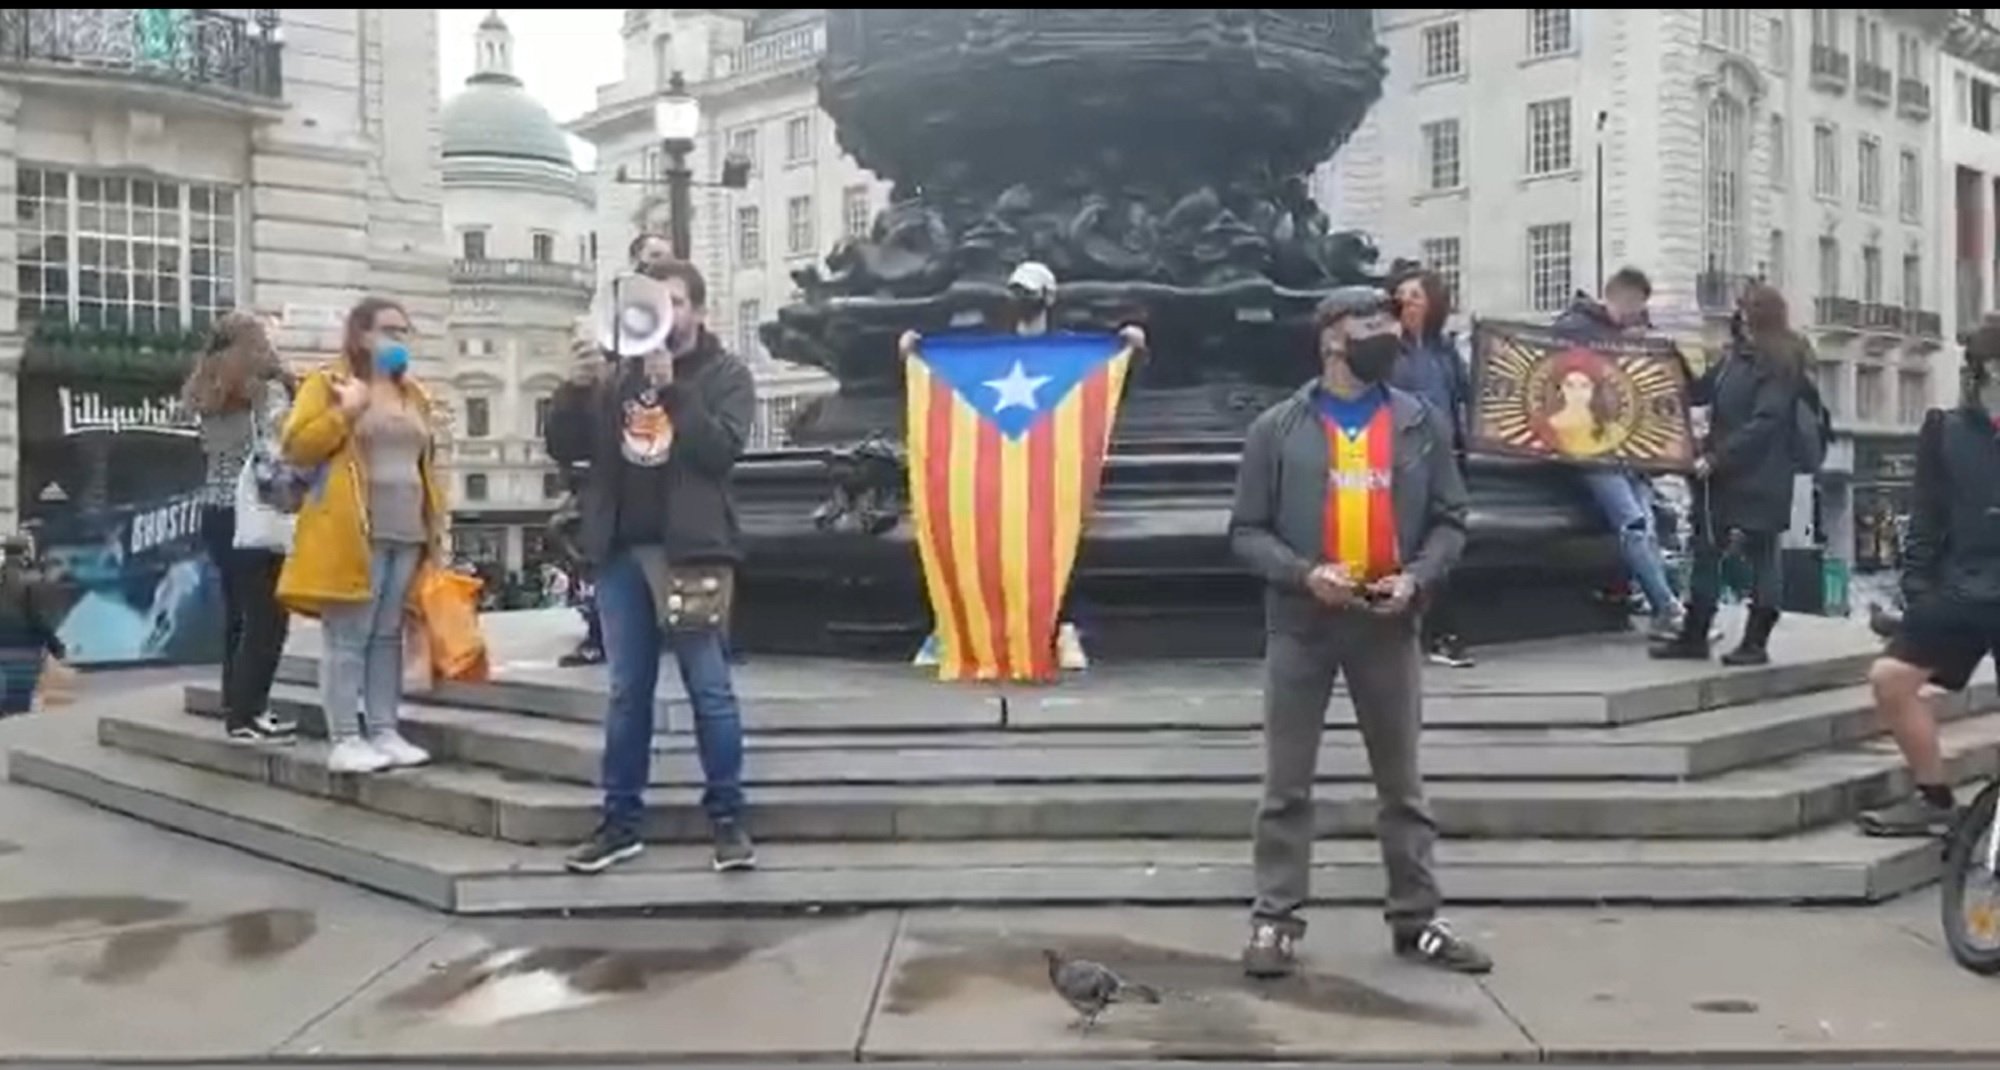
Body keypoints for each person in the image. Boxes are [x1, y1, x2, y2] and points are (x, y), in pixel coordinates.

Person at [1231, 286, 1492, 979]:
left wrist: (1418, 576)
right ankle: (1275, 919)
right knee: (1286, 784)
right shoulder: (1277, 429)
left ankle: (1417, 918)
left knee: (1402, 785)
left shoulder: (1420, 422)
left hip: (1387, 622)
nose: (1385, 329)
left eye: (1386, 318)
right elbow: (1246, 532)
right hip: (1301, 627)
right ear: (1331, 337)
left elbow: (1451, 518)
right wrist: (1301, 574)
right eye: (1368, 322)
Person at [546, 258, 758, 875]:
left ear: (697, 311)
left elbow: (720, 450)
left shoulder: (724, 374)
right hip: (620, 554)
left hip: (690, 551)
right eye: (652, 304)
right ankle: (620, 823)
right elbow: (568, 448)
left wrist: (675, 391)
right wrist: (575, 390)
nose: (664, 316)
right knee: (626, 694)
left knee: (709, 690)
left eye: (676, 303)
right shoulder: (616, 376)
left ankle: (727, 819)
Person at [907, 260, 1138, 671]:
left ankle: (1064, 627)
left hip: (1051, 468)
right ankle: (956, 628)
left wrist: (1129, 345)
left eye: (1028, 294)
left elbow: (1109, 378)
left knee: (1059, 538)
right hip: (998, 469)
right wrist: (915, 350)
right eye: (1016, 293)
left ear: (1048, 298)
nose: (1021, 302)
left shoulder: (1069, 349)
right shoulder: (990, 351)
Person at [277, 297, 448, 775]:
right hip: (353, 527)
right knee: (348, 634)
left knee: (388, 634)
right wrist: (346, 413)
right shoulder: (330, 383)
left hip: (406, 528)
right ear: (362, 334)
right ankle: (344, 736)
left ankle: (383, 728)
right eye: (389, 330)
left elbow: (426, 462)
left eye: (405, 332)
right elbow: (297, 445)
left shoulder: (413, 394)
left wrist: (436, 527)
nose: (399, 341)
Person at [1854, 323, 2000, 837]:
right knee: (1890, 679)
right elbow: (1927, 514)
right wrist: (1918, 589)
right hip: (1962, 589)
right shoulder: (1947, 429)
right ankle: (1934, 797)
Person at [1652, 283, 1809, 665]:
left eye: (1744, 310)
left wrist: (1719, 457)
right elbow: (1702, 392)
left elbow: (1766, 421)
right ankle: (1694, 634)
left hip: (1762, 474)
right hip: (1724, 475)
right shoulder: (1735, 357)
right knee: (1706, 550)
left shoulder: (1780, 362)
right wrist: (1671, 362)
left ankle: (1756, 642)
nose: (1737, 316)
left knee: (1762, 555)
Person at [183, 311, 299, 742]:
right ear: (252, 346)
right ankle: (250, 711)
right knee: (268, 617)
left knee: (238, 614)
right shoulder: (260, 391)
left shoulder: (207, 388)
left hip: (216, 510)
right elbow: (283, 437)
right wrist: (287, 380)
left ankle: (238, 710)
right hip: (253, 509)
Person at [1552, 268, 1686, 640]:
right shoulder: (1577, 328)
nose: (1638, 315)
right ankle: (1667, 607)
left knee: (1643, 526)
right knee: (1634, 524)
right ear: (1623, 299)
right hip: (1591, 447)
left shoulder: (1606, 332)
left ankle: (1662, 603)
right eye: (1636, 307)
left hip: (1623, 447)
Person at [1388, 267, 1476, 668]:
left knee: (1443, 539)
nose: (1406, 302)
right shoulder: (1391, 350)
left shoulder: (1444, 351)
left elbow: (1468, 394)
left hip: (1446, 455)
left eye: (1416, 295)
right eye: (1401, 295)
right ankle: (1436, 631)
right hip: (1405, 455)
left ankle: (1438, 630)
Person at [0, 535, 64, 716]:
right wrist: (56, 647)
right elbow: (38, 619)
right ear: (26, 554)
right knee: (19, 702)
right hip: (25, 651)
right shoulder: (33, 582)